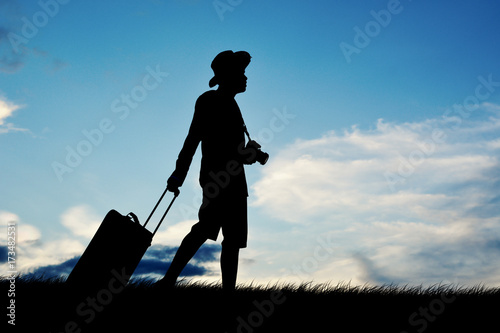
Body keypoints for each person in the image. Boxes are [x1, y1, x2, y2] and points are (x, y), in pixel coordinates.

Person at [157, 50, 262, 292]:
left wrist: (251, 155)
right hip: (219, 178)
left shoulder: (232, 105)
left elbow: (232, 151)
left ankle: (226, 293)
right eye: (241, 72)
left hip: (233, 180)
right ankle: (170, 279)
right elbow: (193, 139)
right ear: (228, 75)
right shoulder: (208, 101)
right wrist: (178, 174)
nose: (246, 77)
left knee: (231, 239)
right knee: (206, 228)